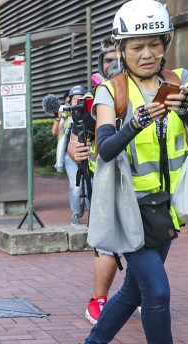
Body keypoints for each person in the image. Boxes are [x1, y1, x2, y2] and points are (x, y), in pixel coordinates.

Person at [64, 0, 188, 344]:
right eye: (135, 46)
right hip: (132, 210)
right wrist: (137, 120)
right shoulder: (110, 90)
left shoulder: (181, 78)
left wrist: (186, 106)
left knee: (134, 291)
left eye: (154, 45)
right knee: (157, 293)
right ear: (121, 49)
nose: (146, 54)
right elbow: (106, 147)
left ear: (165, 44)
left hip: (170, 207)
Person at [73, 40, 123, 324]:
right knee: (106, 243)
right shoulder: (95, 97)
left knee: (147, 243)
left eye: (118, 56)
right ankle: (99, 299)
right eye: (108, 59)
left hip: (143, 183)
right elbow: (74, 139)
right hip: (104, 182)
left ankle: (139, 294)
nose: (113, 63)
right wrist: (75, 150)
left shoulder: (145, 91)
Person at [54, 85, 91, 225]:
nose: (77, 101)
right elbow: (58, 133)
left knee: (90, 185)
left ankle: (92, 213)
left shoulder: (91, 113)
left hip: (88, 154)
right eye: (74, 98)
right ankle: (75, 213)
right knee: (75, 186)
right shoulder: (67, 113)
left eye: (80, 98)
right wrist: (61, 118)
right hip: (70, 156)